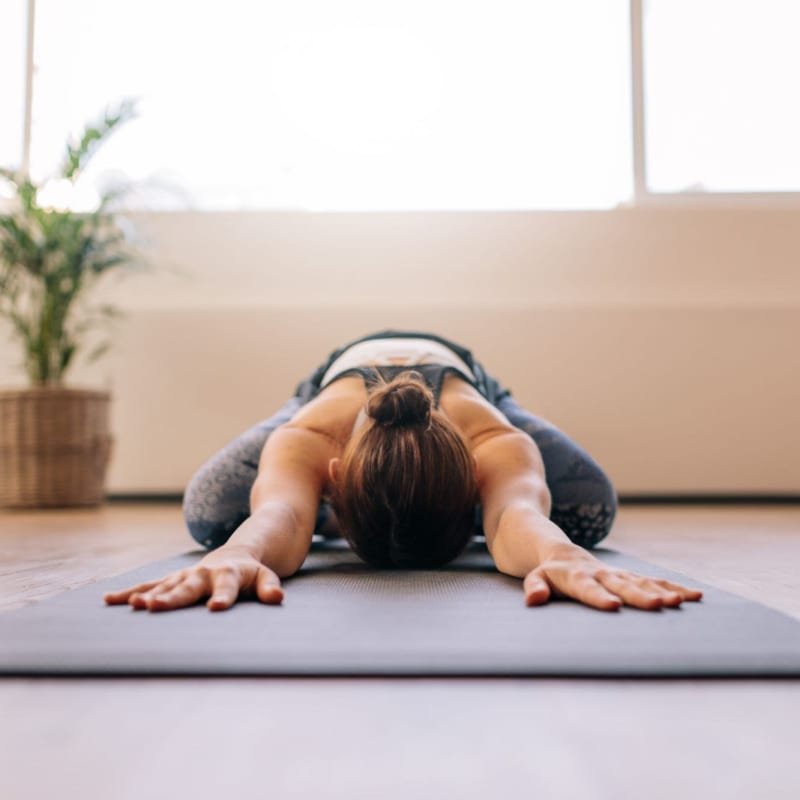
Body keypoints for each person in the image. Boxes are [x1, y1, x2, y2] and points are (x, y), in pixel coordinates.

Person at [104, 330, 702, 613]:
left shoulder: (492, 436)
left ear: (476, 479)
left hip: (468, 380)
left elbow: (515, 515)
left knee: (587, 510)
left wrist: (560, 553)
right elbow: (280, 516)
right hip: (334, 383)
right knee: (211, 515)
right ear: (331, 478)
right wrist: (239, 551)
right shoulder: (310, 434)